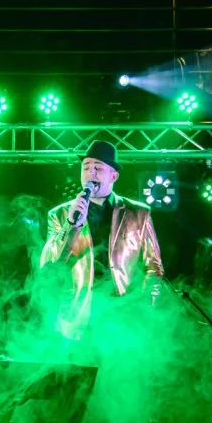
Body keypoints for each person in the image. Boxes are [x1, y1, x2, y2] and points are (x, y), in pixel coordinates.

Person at [39, 141, 164, 340]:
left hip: (122, 316)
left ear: (113, 176)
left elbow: (153, 267)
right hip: (77, 318)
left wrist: (145, 307)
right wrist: (71, 225)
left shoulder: (138, 213)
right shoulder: (60, 214)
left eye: (98, 168)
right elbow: (49, 263)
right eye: (86, 167)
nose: (91, 173)